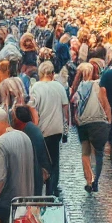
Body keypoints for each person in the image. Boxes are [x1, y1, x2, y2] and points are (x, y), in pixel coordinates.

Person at [29, 61, 69, 196]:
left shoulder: (36, 87)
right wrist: (66, 129)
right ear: (52, 74)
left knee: (40, 160)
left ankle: (41, 186)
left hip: (41, 130)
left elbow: (33, 108)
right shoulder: (59, 87)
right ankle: (52, 189)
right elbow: (65, 109)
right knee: (54, 159)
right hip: (56, 129)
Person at [71, 62, 111, 193]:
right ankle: (96, 181)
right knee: (98, 153)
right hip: (97, 123)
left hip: (82, 124)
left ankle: (88, 180)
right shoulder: (97, 86)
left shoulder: (77, 88)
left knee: (85, 152)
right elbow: (105, 104)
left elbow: (73, 104)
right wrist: (108, 122)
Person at [13, 105, 51, 196]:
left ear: (19, 120)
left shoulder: (28, 131)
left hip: (34, 174)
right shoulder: (32, 128)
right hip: (36, 172)